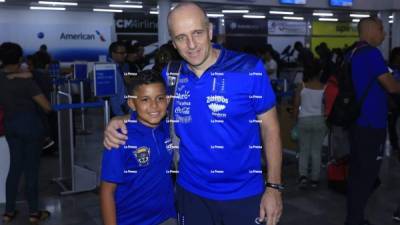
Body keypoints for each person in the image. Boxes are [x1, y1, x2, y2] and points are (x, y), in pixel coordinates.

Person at [104, 3, 283, 225]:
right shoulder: (171, 76)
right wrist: (119, 119)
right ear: (173, 42)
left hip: (244, 194)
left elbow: (271, 128)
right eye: (181, 37)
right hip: (191, 194)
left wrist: (273, 187)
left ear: (209, 31)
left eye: (197, 33)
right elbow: (150, 107)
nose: (191, 45)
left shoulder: (249, 68)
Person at [100, 70, 176, 225]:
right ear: (131, 103)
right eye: (145, 100)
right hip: (132, 220)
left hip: (167, 217)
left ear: (168, 100)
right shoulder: (120, 137)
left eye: (160, 98)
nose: (154, 106)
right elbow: (107, 191)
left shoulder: (169, 128)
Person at [346, 17, 400, 225]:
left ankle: (355, 218)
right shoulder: (372, 53)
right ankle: (355, 220)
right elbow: (392, 87)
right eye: (381, 29)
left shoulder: (353, 53)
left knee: (358, 174)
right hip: (371, 125)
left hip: (358, 123)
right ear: (369, 31)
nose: (384, 33)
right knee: (367, 177)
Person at [0, 42, 52, 223]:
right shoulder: (26, 81)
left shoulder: (1, 78)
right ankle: (33, 213)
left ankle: (8, 212)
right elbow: (46, 107)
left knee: (14, 168)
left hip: (11, 126)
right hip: (30, 127)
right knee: (31, 170)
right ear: (20, 58)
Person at [292, 60, 327, 189]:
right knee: (316, 151)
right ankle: (315, 179)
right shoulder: (325, 87)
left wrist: (295, 120)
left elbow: (296, 105)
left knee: (304, 150)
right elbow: (326, 106)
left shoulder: (302, 86)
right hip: (319, 120)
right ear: (320, 72)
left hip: (304, 120)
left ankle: (303, 177)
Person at [108, 41, 130, 117]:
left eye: (125, 53)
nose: (125, 55)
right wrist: (119, 114)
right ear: (113, 54)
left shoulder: (120, 68)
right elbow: (112, 95)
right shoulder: (109, 70)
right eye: (122, 53)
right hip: (117, 112)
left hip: (123, 109)